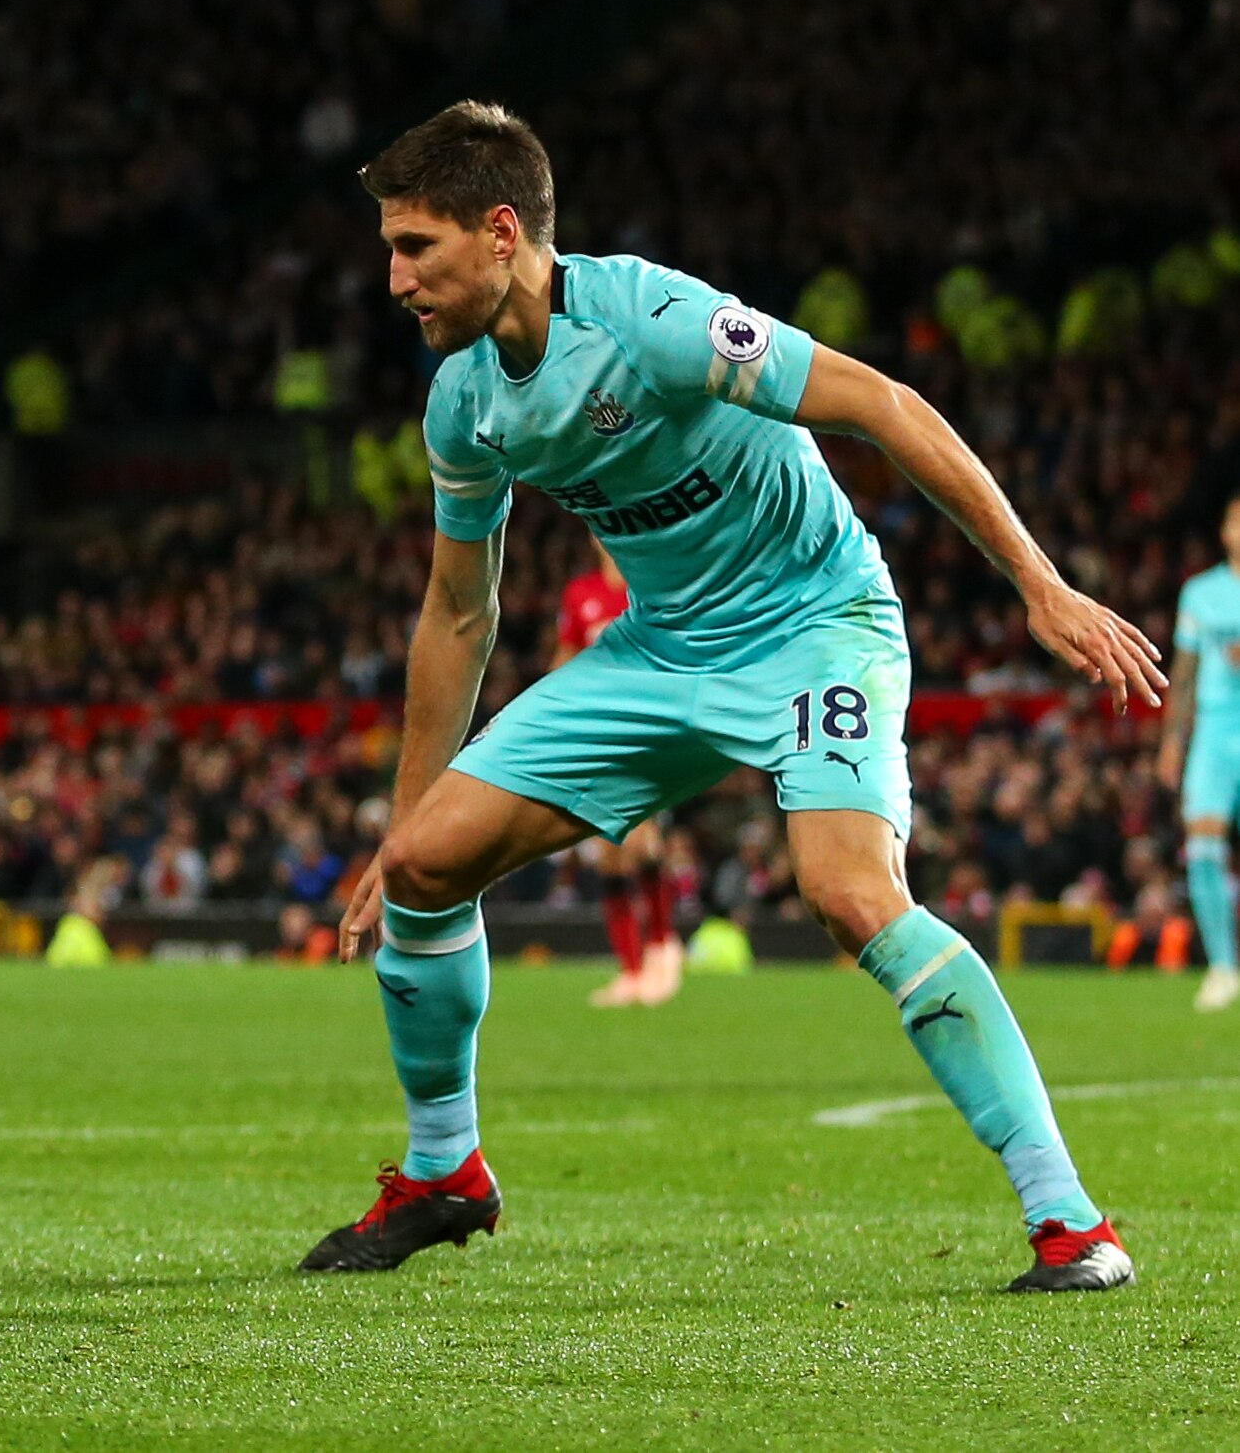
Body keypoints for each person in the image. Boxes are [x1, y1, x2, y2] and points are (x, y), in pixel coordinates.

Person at [315, 101, 1157, 1293]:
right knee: (424, 865)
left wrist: (1039, 583)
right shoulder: (464, 401)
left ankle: (1069, 1221)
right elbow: (458, 610)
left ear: (500, 232)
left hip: (816, 626)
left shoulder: (651, 320)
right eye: (390, 249)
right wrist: (400, 818)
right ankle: (443, 1172)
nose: (395, 278)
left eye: (415, 246)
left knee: (848, 893)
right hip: (661, 650)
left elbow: (881, 403)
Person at [549, 544, 680, 1008]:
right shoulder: (580, 593)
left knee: (639, 841)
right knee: (610, 854)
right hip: (598, 730)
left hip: (646, 728)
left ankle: (661, 945)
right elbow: (566, 656)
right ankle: (633, 969)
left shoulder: (650, 586)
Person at [1158, 492, 1240, 1012]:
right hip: (1214, 731)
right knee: (1205, 845)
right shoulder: (1201, 593)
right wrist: (1172, 742)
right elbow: (1184, 674)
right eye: (1236, 521)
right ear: (1225, 531)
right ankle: (1223, 967)